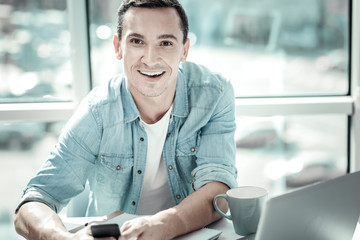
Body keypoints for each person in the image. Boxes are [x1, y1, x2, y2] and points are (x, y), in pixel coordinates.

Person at [14, 0, 238, 239]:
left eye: (165, 42)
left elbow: (219, 191)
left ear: (184, 50)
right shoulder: (98, 112)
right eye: (137, 41)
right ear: (118, 46)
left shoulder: (214, 93)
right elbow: (33, 202)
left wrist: (164, 224)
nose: (150, 59)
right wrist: (62, 238)